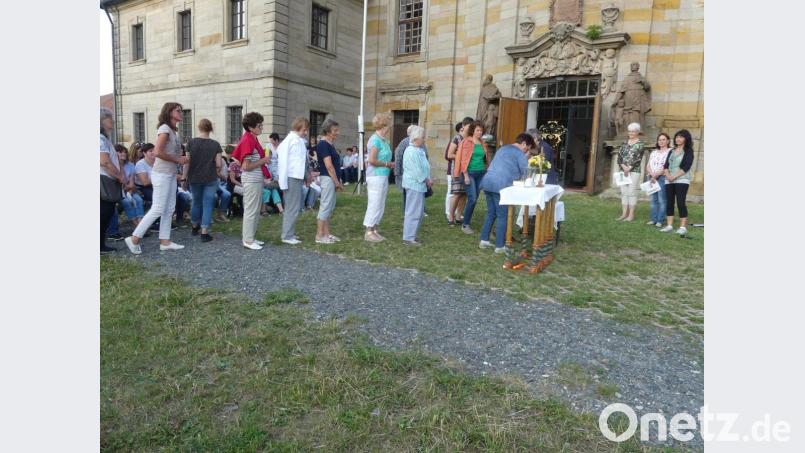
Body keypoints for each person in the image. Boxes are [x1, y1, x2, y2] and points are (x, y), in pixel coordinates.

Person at [125, 102, 187, 254]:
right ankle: (134, 238)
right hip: (162, 174)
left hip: (170, 174)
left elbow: (168, 153)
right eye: (178, 110)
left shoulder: (173, 131)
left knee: (169, 209)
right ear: (169, 112)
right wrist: (178, 160)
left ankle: (165, 241)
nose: (181, 113)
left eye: (181, 110)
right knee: (158, 208)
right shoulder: (164, 128)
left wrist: (181, 158)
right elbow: (158, 152)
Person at [478, 133, 535, 253]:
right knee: (502, 215)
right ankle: (500, 246)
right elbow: (525, 173)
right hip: (500, 184)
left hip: (487, 181)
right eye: (527, 148)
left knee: (491, 213)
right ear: (524, 143)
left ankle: (484, 240)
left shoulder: (502, 149)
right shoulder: (520, 153)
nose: (526, 151)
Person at [230, 112, 269, 250]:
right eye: (259, 125)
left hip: (255, 179)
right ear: (251, 127)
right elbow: (245, 166)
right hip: (251, 180)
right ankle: (248, 240)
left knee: (254, 209)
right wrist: (263, 161)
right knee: (251, 210)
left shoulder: (251, 139)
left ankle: (251, 237)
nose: (261, 128)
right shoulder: (248, 140)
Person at [185, 118, 223, 242]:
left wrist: (184, 177)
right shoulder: (215, 144)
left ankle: (194, 226)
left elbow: (187, 162)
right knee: (208, 204)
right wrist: (217, 170)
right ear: (210, 129)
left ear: (199, 127)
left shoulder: (191, 143)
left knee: (196, 202)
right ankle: (204, 232)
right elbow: (218, 164)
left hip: (194, 177)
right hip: (210, 177)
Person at [277, 117, 310, 245]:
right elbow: (283, 163)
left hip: (297, 177)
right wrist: (283, 182)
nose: (305, 132)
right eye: (304, 130)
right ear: (297, 128)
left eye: (306, 130)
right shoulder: (289, 141)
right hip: (291, 177)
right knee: (292, 207)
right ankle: (287, 235)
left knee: (295, 207)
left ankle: (290, 232)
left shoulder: (299, 141)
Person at [454, 121, 491, 234]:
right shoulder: (467, 142)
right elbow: (464, 160)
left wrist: (488, 170)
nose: (480, 132)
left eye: (481, 130)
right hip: (469, 173)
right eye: (477, 130)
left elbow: (486, 158)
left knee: (473, 200)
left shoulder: (483, 143)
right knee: (473, 198)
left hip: (481, 173)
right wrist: (465, 175)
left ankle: (466, 221)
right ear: (473, 131)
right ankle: (465, 224)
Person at [362, 113, 395, 242]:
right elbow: (372, 160)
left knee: (380, 203)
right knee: (374, 202)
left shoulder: (383, 140)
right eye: (388, 125)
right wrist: (388, 164)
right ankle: (369, 231)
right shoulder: (375, 140)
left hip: (383, 175)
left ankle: (375, 229)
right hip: (375, 176)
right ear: (383, 125)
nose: (390, 128)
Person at [100, 108, 126, 253]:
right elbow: (104, 161)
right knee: (103, 212)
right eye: (110, 118)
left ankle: (101, 244)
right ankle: (99, 245)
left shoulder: (104, 139)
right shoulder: (99, 139)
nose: (113, 121)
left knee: (107, 212)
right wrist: (119, 176)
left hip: (108, 178)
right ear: (102, 120)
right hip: (104, 179)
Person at [660, 129, 695, 236]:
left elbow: (686, 166)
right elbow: (665, 166)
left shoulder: (688, 151)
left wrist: (673, 176)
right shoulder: (671, 151)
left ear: (686, 139)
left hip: (682, 179)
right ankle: (669, 225)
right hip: (669, 179)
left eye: (681, 137)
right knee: (669, 202)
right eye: (677, 137)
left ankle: (683, 227)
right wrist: (668, 175)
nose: (678, 139)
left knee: (680, 202)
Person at [315, 118, 344, 244]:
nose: (337, 132)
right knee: (325, 206)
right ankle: (319, 235)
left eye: (338, 130)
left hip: (331, 178)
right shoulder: (323, 144)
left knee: (329, 206)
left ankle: (327, 234)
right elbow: (329, 165)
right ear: (327, 131)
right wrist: (336, 182)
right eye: (335, 130)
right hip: (327, 178)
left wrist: (338, 180)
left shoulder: (329, 144)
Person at [402, 126, 432, 246]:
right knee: (413, 212)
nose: (424, 139)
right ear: (416, 138)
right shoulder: (411, 151)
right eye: (422, 137)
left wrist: (428, 178)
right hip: (414, 184)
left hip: (419, 185)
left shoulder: (419, 150)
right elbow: (416, 170)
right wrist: (426, 180)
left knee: (418, 213)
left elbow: (424, 166)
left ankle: (412, 235)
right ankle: (408, 238)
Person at [446, 117, 474, 225]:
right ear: (463, 126)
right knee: (457, 193)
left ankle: (459, 216)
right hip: (457, 169)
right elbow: (449, 154)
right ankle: (451, 216)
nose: (470, 128)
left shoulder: (471, 139)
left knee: (464, 194)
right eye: (469, 126)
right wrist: (462, 156)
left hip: (468, 170)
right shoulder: (457, 138)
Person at [616, 122, 645, 222]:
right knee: (624, 192)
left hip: (634, 171)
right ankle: (624, 214)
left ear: (637, 132)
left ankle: (631, 215)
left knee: (631, 192)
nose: (631, 133)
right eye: (630, 131)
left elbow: (638, 158)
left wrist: (629, 168)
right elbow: (619, 157)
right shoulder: (624, 143)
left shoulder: (640, 144)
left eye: (633, 131)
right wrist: (624, 167)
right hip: (623, 171)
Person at [646, 133, 671, 227]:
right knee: (653, 199)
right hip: (652, 177)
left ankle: (660, 220)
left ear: (668, 141)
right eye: (659, 140)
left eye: (663, 139)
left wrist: (656, 175)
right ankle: (653, 219)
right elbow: (648, 165)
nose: (661, 141)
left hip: (662, 177)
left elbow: (667, 166)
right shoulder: (654, 152)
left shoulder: (670, 151)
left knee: (662, 199)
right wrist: (652, 174)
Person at [117, 145, 144, 229]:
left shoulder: (130, 165)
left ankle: (140, 223)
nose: (124, 154)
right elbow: (118, 183)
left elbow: (131, 183)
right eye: (120, 152)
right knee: (127, 202)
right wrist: (126, 185)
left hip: (130, 190)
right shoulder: (114, 166)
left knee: (139, 200)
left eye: (125, 152)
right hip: (118, 192)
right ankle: (137, 226)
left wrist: (128, 188)